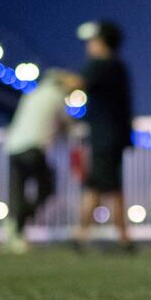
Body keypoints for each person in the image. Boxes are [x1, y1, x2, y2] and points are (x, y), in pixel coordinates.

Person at [63, 20, 134, 251]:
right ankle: (89, 235)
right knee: (103, 183)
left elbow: (76, 84)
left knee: (106, 186)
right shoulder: (119, 67)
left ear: (101, 42)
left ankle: (118, 238)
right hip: (117, 134)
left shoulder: (99, 64)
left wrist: (55, 78)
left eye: (92, 40)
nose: (89, 45)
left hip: (104, 135)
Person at [3, 69, 72, 253]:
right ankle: (19, 222)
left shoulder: (31, 94)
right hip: (33, 148)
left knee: (17, 191)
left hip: (12, 147)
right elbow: (66, 125)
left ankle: (14, 230)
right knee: (47, 188)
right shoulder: (57, 96)